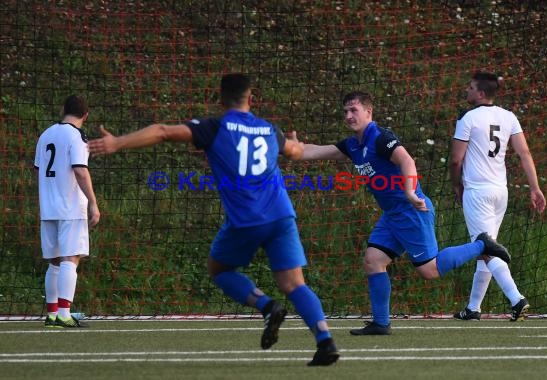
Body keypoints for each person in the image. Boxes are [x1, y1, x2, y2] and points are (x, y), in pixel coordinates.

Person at [88, 73, 339, 366]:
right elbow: (295, 151)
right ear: (251, 98)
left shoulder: (214, 127)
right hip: (281, 216)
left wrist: (118, 142)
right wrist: (293, 143)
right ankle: (325, 341)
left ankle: (266, 305)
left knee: (218, 269)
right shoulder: (270, 129)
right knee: (295, 284)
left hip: (246, 219)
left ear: (220, 99)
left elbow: (161, 131)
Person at [291, 91, 511, 335]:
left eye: (354, 110)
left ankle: (482, 245)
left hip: (411, 209)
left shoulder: (380, 138)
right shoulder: (353, 145)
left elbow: (407, 160)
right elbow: (315, 151)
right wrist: (290, 147)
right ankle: (381, 323)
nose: (349, 116)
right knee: (373, 260)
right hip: (392, 214)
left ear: (368, 112)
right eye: (345, 112)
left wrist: (409, 191)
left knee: (429, 270)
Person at [449, 72, 547, 321]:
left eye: (470, 87)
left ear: (481, 93)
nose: (467, 91)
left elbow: (455, 159)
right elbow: (524, 153)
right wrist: (534, 187)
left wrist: (457, 186)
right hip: (500, 192)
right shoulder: (509, 116)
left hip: (478, 192)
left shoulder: (468, 118)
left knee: (485, 249)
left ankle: (516, 299)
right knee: (486, 247)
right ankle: (473, 308)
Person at [34, 94, 100, 328]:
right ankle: (64, 313)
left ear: (63, 109)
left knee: (54, 261)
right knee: (70, 259)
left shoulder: (46, 134)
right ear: (85, 115)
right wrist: (93, 202)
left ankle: (52, 313)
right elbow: (80, 171)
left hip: (48, 207)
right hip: (70, 207)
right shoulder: (77, 136)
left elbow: (39, 170)